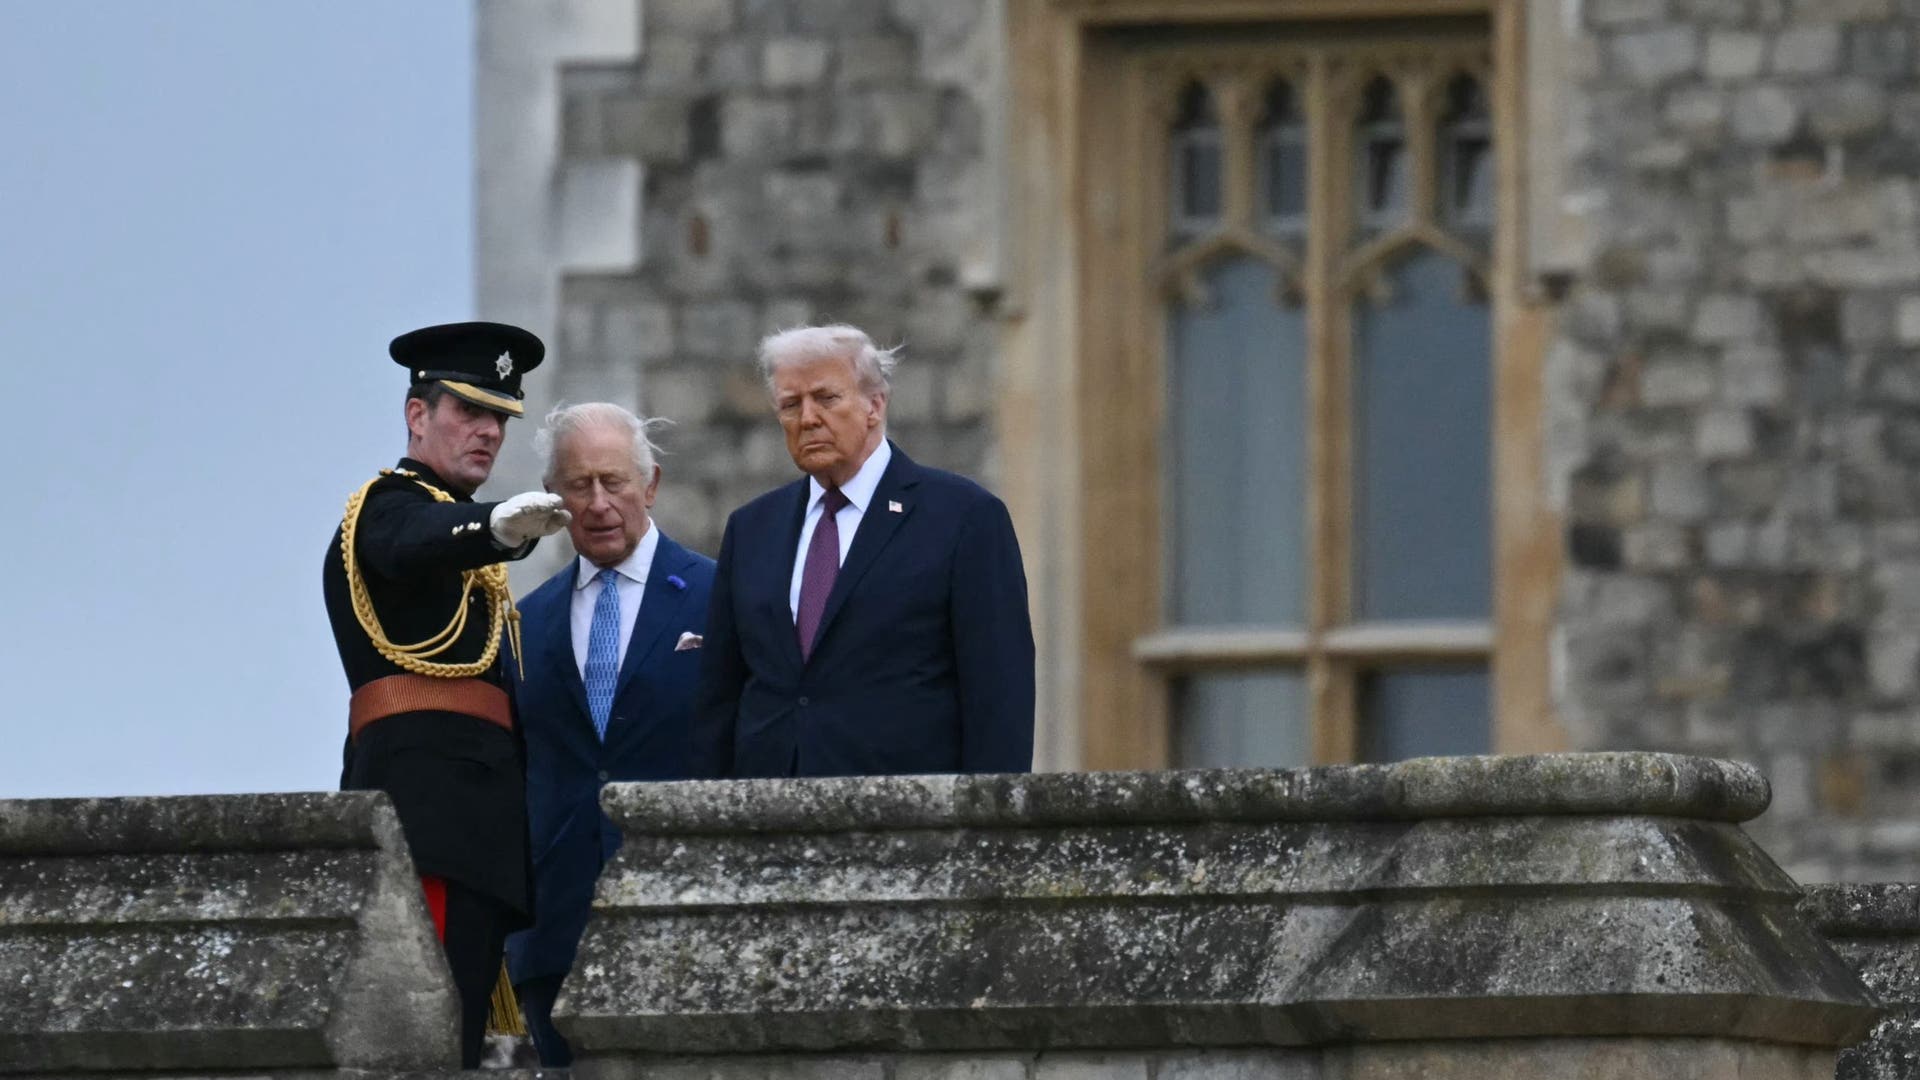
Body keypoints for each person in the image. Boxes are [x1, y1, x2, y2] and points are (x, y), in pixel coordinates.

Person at [322, 321, 571, 1068]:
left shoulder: (459, 540)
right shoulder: (387, 506)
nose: (489, 432)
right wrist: (492, 528)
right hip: (424, 822)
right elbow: (411, 540)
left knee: (459, 1041)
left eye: (500, 417)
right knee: (419, 1042)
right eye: (468, 411)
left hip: (477, 834)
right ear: (417, 415)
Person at [691, 324, 1035, 778]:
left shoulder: (964, 517)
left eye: (826, 398)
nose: (807, 418)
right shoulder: (752, 528)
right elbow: (721, 694)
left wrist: (992, 830)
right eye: (791, 405)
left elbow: (999, 691)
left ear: (875, 405)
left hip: (907, 819)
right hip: (770, 821)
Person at [504, 402, 715, 1066]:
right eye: (577, 484)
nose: (597, 503)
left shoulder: (722, 596)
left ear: (648, 486)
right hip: (556, 931)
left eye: (613, 482)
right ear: (554, 498)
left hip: (687, 920)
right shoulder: (523, 623)